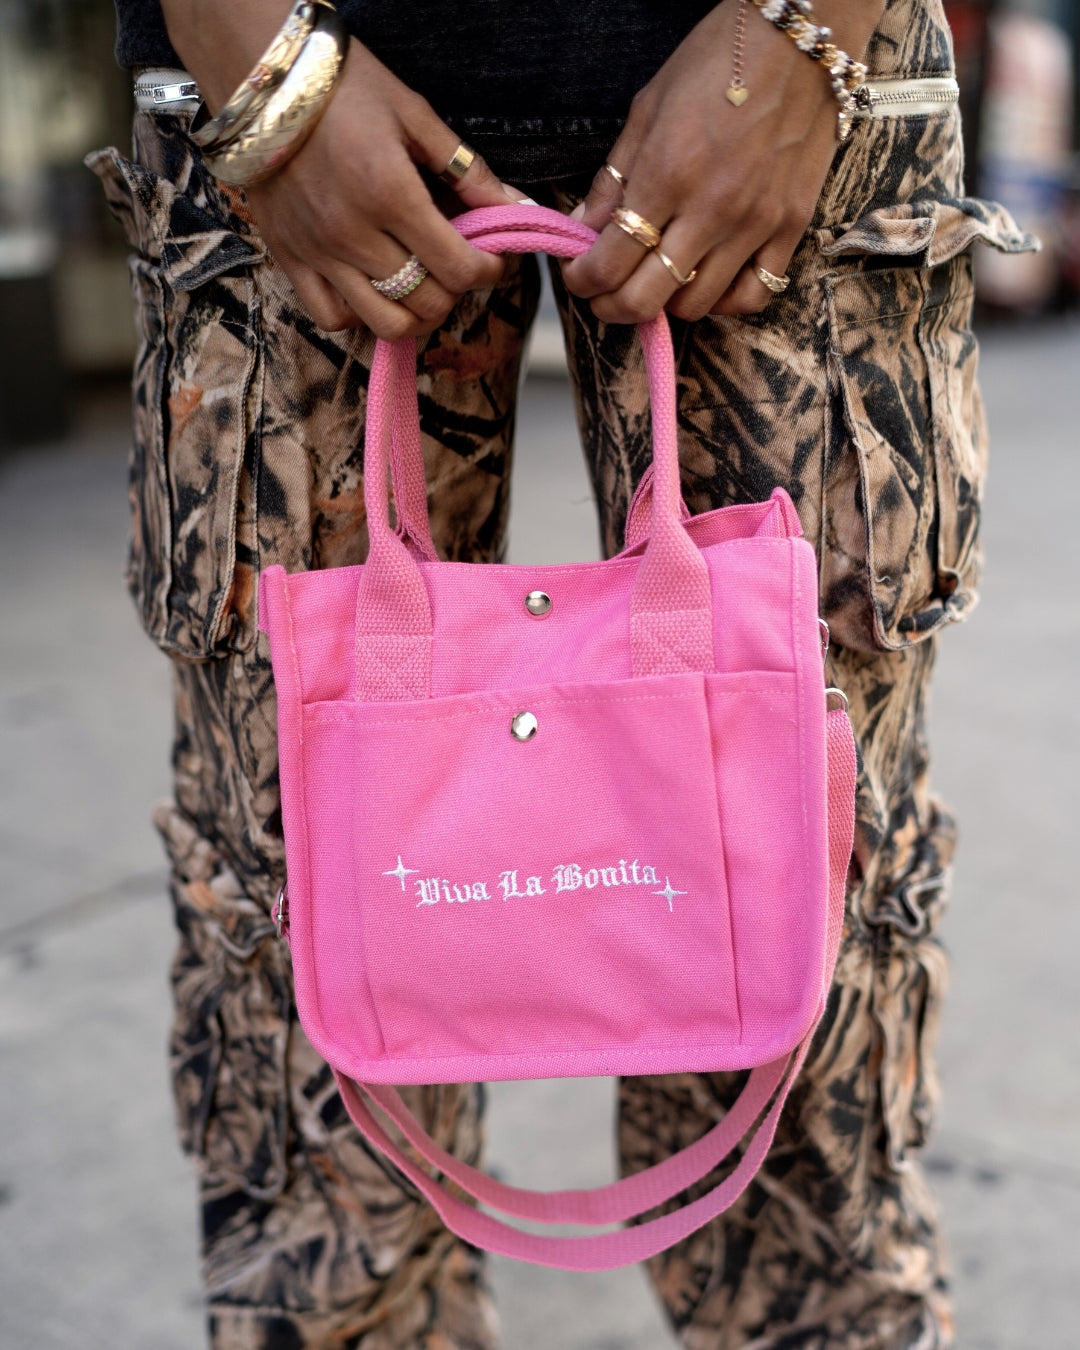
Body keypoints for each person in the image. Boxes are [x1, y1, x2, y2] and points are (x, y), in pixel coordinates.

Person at [90, 0, 1033, 1346]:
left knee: (816, 1002)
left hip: (788, 93)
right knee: (301, 978)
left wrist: (809, 29)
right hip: (284, 95)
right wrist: (250, 48)